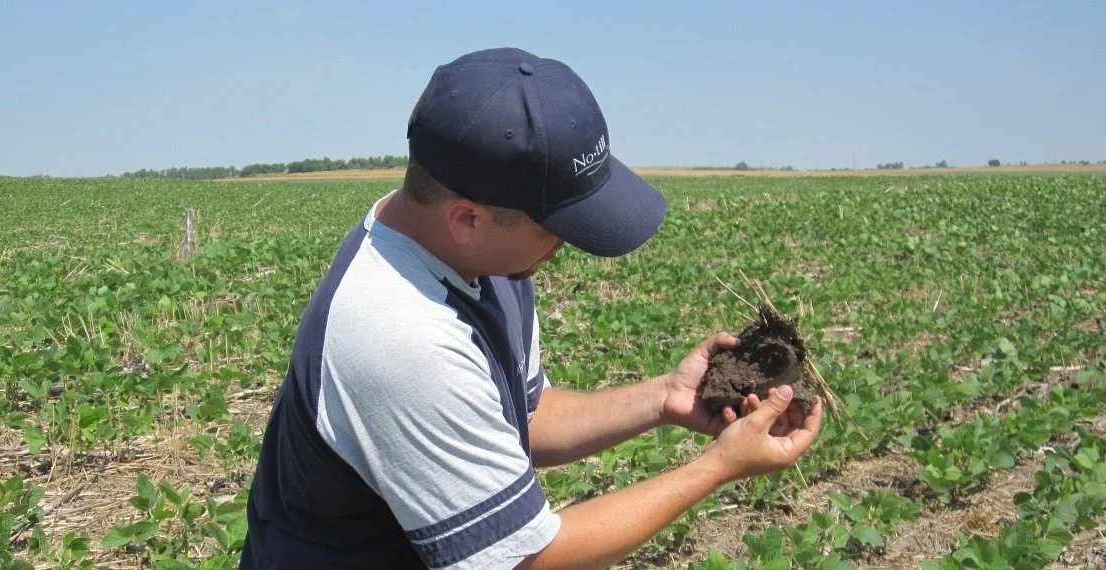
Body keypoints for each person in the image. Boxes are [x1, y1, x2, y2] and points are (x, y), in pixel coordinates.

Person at [240, 47, 822, 570]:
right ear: (466, 218)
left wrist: (665, 397)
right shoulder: (399, 336)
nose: (565, 244)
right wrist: (716, 468)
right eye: (556, 226)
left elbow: (525, 415)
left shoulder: (477, 254)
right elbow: (525, 560)